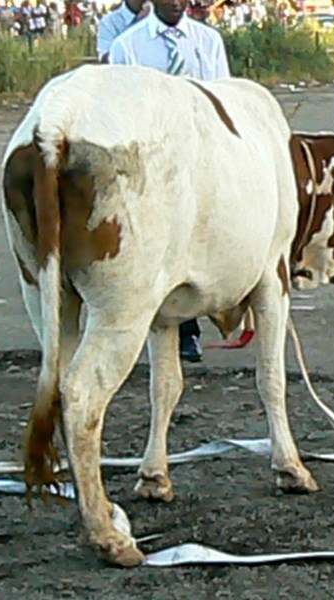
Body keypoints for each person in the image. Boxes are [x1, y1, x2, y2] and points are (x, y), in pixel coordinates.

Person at [109, 0, 230, 362]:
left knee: (200, 239)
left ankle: (206, 314)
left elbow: (222, 96)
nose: (177, 2)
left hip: (201, 155)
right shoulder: (127, 47)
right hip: (152, 161)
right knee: (160, 244)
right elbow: (121, 110)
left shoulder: (208, 42)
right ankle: (174, 329)